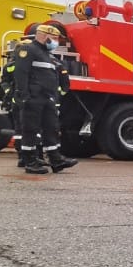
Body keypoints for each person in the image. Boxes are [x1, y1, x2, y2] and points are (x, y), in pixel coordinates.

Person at [14, 24, 77, 174]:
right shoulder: (28, 50)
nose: (56, 42)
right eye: (54, 39)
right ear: (44, 36)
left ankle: (56, 160)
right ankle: (30, 161)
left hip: (48, 98)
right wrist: (24, 95)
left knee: (52, 128)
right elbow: (21, 73)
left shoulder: (48, 55)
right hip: (33, 98)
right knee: (30, 129)